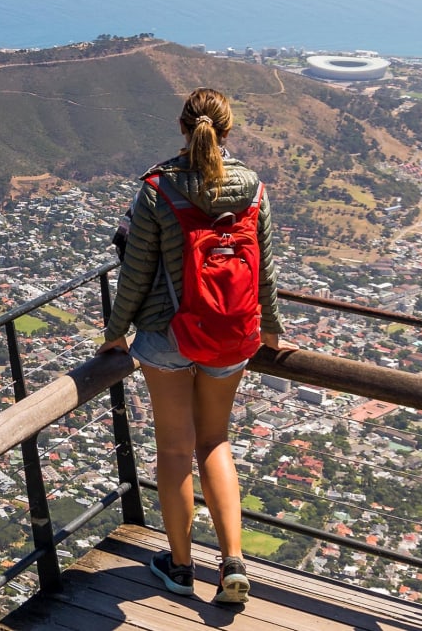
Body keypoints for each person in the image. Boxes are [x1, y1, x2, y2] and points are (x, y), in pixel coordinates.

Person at [97, 87, 284, 605]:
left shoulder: (159, 187)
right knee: (215, 443)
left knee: (176, 449)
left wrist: (116, 330)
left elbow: (136, 272)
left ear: (183, 128)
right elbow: (264, 265)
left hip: (168, 333)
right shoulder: (253, 187)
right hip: (231, 334)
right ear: (228, 132)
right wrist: (270, 326)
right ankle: (232, 564)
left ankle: (180, 567)